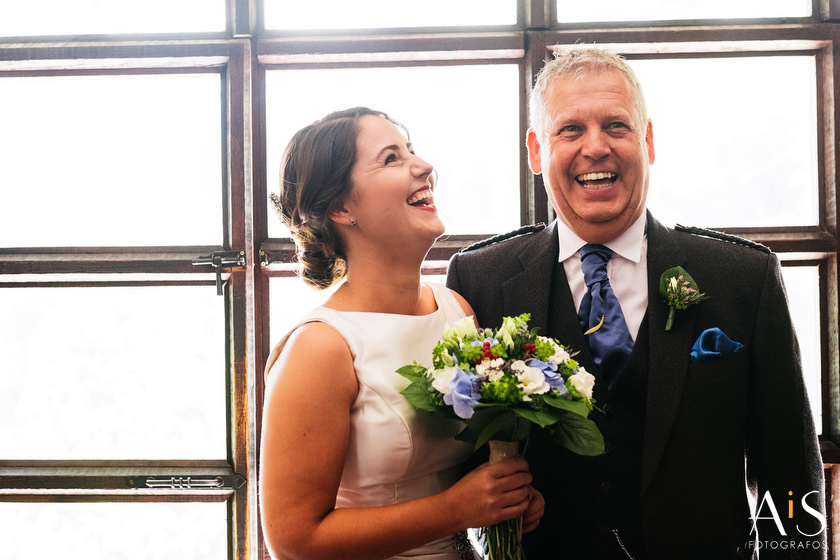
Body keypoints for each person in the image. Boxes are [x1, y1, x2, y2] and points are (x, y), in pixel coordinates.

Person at [446, 48, 826, 559]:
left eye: (617, 126)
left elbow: (789, 475)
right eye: (571, 129)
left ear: (647, 141)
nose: (596, 147)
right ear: (536, 151)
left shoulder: (744, 278)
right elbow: (453, 470)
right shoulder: (480, 280)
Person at [259, 107, 544, 560]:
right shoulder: (320, 348)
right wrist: (455, 509)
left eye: (411, 151)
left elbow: (469, 474)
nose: (424, 166)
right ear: (340, 207)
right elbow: (294, 542)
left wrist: (507, 502)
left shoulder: (457, 313)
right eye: (391, 158)